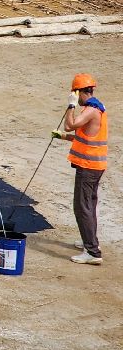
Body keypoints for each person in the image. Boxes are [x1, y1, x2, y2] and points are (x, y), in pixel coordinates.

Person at [52, 73, 107, 265]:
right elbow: (83, 137)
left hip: (89, 167)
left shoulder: (91, 110)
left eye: (75, 94)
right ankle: (89, 241)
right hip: (94, 166)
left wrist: (71, 105)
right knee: (89, 206)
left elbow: (70, 125)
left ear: (79, 92)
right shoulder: (96, 108)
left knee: (82, 207)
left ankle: (92, 251)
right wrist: (62, 137)